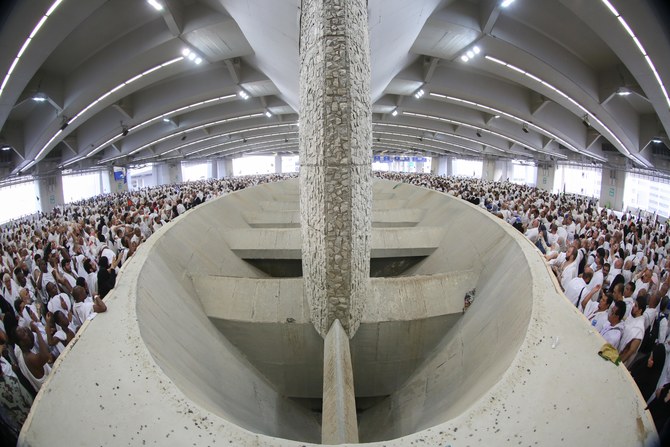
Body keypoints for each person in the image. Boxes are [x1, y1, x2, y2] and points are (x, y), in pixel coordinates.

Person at [619, 296, 648, 368]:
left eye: (635, 306)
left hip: (621, 360)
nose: (633, 307)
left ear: (640, 310)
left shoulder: (639, 329)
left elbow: (630, 351)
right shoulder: (632, 316)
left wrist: (618, 363)